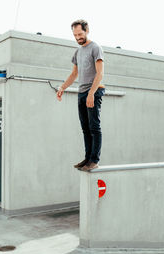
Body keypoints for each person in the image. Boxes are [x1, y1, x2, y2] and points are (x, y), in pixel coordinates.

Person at [56, 19, 105, 172]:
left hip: (94, 91)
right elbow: (74, 74)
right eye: (75, 35)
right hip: (82, 92)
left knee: (94, 127)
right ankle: (87, 158)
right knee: (85, 128)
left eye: (80, 34)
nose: (78, 37)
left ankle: (94, 160)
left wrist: (91, 93)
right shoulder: (78, 52)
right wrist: (62, 87)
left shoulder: (95, 48)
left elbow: (100, 73)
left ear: (87, 30)